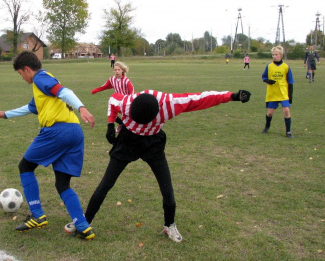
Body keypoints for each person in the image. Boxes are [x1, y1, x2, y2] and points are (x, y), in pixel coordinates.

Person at [64, 88, 252, 243]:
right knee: (106, 184)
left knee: (167, 188)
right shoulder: (126, 102)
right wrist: (110, 125)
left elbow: (200, 98)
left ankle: (169, 225)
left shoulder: (170, 104)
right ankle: (84, 221)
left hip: (152, 143)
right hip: (128, 141)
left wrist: (232, 96)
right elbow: (113, 100)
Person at [0, 50, 96, 240]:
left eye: (20, 74)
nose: (21, 77)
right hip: (74, 131)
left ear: (26, 69)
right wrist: (5, 113)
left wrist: (82, 108)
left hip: (57, 131)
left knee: (25, 166)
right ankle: (83, 226)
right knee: (62, 182)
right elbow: (31, 108)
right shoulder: (42, 85)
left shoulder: (40, 79)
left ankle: (38, 216)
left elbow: (65, 91)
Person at [261, 45, 295, 138]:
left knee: (286, 111)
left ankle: (288, 132)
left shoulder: (286, 67)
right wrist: (267, 80)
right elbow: (264, 77)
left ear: (281, 55)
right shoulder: (269, 66)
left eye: (276, 54)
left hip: (283, 93)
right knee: (270, 112)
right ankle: (267, 127)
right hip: (273, 93)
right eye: (273, 54)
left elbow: (290, 82)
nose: (274, 56)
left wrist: (290, 96)